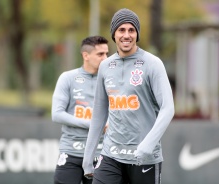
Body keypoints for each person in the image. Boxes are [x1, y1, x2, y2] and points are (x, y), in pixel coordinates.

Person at [82, 8, 175, 184]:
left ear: (137, 34)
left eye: (131, 30)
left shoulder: (152, 64)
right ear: (114, 34)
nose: (127, 35)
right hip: (111, 156)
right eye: (121, 30)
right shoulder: (105, 66)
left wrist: (148, 145)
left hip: (144, 158)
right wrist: (88, 156)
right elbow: (99, 113)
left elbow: (168, 108)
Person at [51, 36, 109, 184]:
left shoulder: (111, 80)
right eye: (100, 54)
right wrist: (93, 124)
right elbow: (57, 114)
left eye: (107, 54)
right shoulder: (68, 78)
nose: (106, 58)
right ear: (86, 55)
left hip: (101, 154)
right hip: (71, 152)